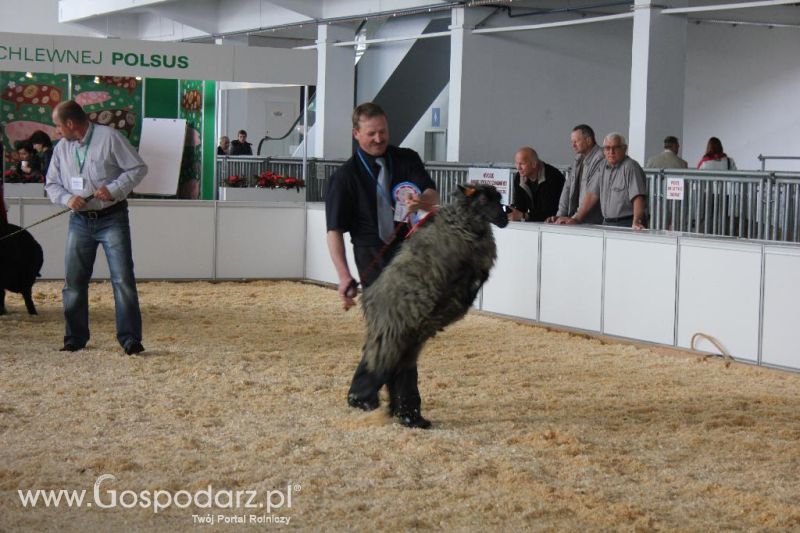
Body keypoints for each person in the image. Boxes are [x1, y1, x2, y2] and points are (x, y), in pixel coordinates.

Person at [325, 102, 439, 429]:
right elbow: (334, 231)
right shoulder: (344, 177)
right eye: (371, 133)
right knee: (401, 326)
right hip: (370, 253)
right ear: (356, 133)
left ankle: (363, 392)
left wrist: (423, 200)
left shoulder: (406, 159)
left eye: (383, 132)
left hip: (410, 250)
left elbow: (433, 195)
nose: (378, 138)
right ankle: (405, 407)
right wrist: (344, 275)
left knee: (395, 329)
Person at [45, 100, 148, 355]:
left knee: (123, 279)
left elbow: (138, 168)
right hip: (79, 220)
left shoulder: (110, 137)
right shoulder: (61, 149)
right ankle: (75, 338)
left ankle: (130, 339)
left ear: (70, 124)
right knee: (73, 282)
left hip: (112, 217)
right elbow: (51, 184)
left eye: (58, 126)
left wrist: (113, 189)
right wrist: (68, 199)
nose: (56, 131)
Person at [561, 132, 647, 230]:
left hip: (627, 222)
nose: (611, 152)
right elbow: (592, 195)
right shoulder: (602, 166)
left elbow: (638, 198)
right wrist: (576, 218)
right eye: (607, 148)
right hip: (607, 222)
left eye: (615, 147)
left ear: (624, 148)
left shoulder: (630, 167)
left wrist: (636, 222)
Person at [547, 124, 604, 224]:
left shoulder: (600, 158)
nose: (573, 145)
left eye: (576, 141)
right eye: (572, 142)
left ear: (589, 141)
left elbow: (592, 193)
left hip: (592, 222)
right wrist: (560, 215)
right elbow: (567, 188)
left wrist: (575, 218)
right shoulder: (578, 159)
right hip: (576, 219)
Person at [507, 147, 564, 222]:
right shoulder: (519, 177)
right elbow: (520, 207)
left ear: (534, 164)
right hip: (537, 223)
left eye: (522, 164)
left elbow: (549, 212)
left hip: (556, 223)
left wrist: (523, 216)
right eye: (517, 163)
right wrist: (512, 212)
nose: (518, 168)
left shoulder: (553, 177)